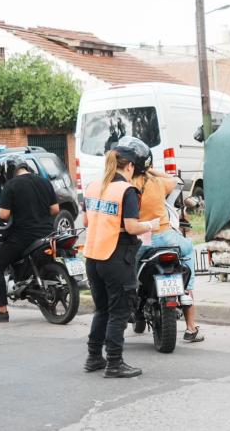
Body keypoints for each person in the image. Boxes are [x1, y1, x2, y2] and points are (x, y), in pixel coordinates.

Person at [82, 145, 160, 378]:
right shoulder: (127, 191)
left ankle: (94, 357)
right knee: (118, 311)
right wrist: (151, 225)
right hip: (116, 258)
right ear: (130, 166)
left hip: (93, 257)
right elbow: (132, 226)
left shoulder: (93, 187)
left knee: (102, 309)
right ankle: (114, 362)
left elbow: (86, 222)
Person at [119, 136, 205, 343]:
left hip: (142, 238)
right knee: (187, 254)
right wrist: (151, 171)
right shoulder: (158, 182)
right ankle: (191, 325)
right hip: (167, 237)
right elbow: (175, 180)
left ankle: (131, 305)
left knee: (128, 270)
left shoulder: (126, 185)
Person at [0, 156, 60, 322]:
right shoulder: (44, 182)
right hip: (47, 233)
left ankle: (1, 311)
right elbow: (55, 209)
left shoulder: (11, 185)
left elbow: (3, 215)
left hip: (22, 236)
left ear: (8, 172)